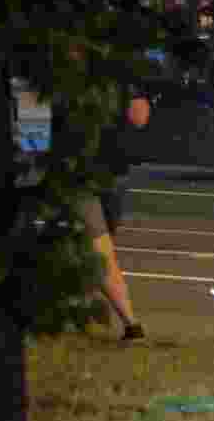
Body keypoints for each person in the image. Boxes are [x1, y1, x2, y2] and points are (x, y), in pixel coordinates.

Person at [55, 46, 151, 341]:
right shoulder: (117, 69)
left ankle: (75, 305)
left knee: (97, 249)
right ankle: (131, 324)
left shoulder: (56, 71)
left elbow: (139, 116)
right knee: (101, 249)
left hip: (97, 171)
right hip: (94, 173)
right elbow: (140, 116)